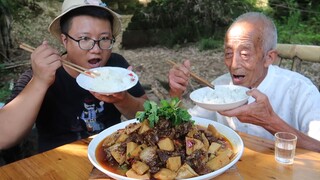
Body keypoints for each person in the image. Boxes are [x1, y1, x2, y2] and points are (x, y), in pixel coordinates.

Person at [3, 0, 147, 155]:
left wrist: (123, 99)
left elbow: (148, 115)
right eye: (85, 39)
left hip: (109, 157)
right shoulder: (42, 73)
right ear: (65, 40)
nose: (96, 49)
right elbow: (3, 137)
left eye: (104, 38)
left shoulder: (116, 67)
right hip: (57, 163)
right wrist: (39, 81)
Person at [168, 12, 320, 152]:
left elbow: (317, 147)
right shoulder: (219, 88)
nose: (233, 64)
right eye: (228, 53)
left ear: (269, 58)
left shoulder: (300, 90)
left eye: (245, 54)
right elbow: (185, 124)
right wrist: (176, 93)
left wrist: (270, 122)